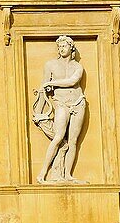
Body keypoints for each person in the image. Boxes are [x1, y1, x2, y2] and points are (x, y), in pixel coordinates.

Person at [33, 35, 86, 184]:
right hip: (61, 102)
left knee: (73, 140)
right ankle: (42, 174)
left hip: (78, 102)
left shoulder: (77, 67)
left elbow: (73, 81)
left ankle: (68, 175)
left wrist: (52, 83)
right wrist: (39, 109)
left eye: (64, 46)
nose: (62, 48)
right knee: (58, 136)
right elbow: (44, 87)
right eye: (60, 46)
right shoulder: (50, 65)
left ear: (71, 48)